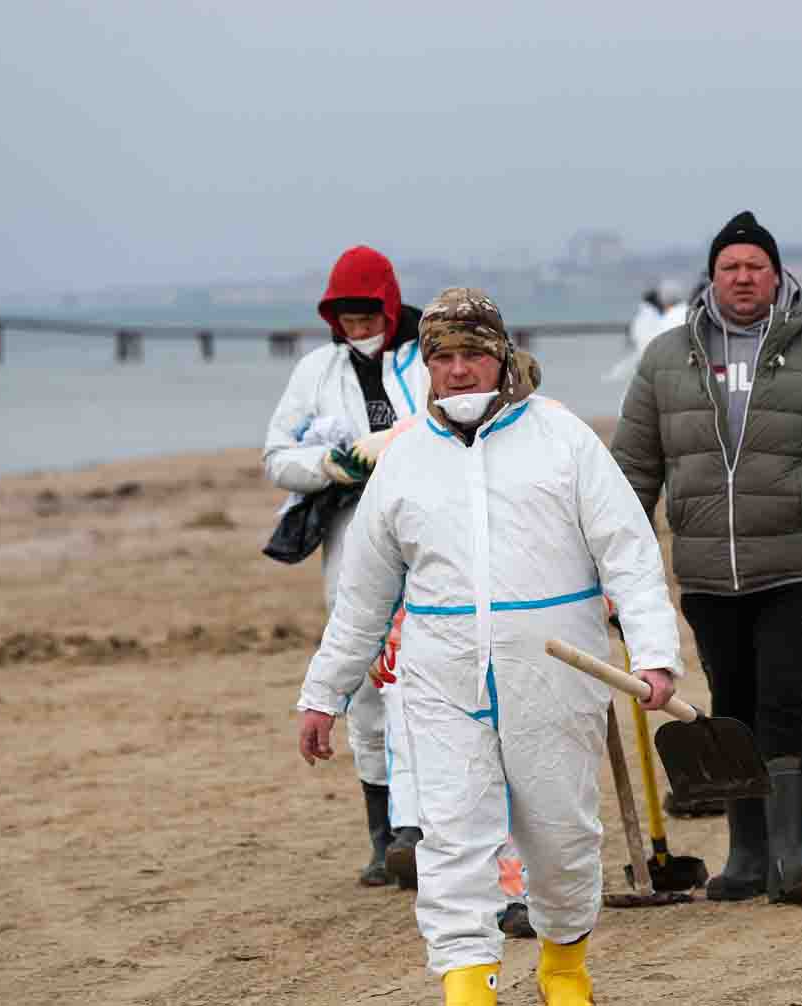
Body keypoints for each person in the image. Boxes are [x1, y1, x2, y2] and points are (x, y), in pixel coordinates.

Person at [296, 288, 682, 1005]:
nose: (461, 371)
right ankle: (469, 987)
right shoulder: (405, 458)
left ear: (502, 357)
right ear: (429, 367)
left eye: (475, 354)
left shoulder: (562, 438)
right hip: (441, 680)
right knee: (452, 840)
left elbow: (627, 551)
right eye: (444, 357)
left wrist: (654, 652)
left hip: (554, 675)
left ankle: (564, 967)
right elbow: (363, 597)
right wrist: (324, 694)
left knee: (562, 838)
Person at [611, 211, 802, 905]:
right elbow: (630, 475)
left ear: (777, 276)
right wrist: (611, 573)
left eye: (755, 267)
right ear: (710, 278)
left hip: (797, 564)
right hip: (709, 568)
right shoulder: (665, 358)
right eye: (729, 268)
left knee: (784, 700)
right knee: (731, 706)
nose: (742, 278)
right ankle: (746, 856)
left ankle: (791, 854)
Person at [264, 245, 428, 888]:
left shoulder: (428, 357)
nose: (358, 328)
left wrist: (396, 444)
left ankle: (427, 828)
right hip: (351, 535)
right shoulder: (314, 371)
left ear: (388, 306)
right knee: (362, 678)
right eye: (346, 318)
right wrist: (331, 464)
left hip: (426, 531)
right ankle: (383, 836)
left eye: (368, 315)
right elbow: (277, 456)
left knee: (429, 673)